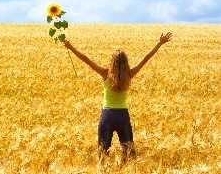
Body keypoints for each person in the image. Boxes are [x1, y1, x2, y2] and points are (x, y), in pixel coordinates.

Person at [63, 32, 172, 162]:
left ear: (112, 62)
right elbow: (145, 58)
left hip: (107, 115)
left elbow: (87, 60)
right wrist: (159, 43)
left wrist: (71, 47)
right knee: (129, 154)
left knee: (103, 155)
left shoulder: (105, 73)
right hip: (123, 116)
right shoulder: (130, 74)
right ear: (125, 62)